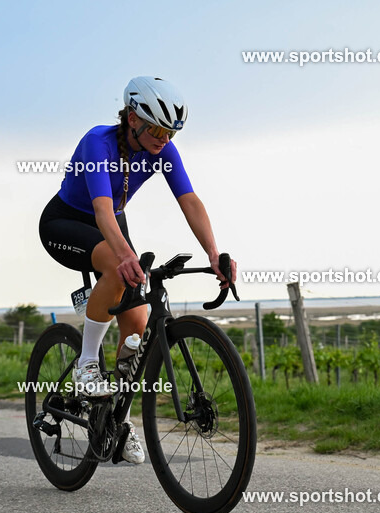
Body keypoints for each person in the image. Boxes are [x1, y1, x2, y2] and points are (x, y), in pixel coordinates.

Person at [38, 76, 237, 464]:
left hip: (111, 221)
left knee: (137, 326)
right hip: (66, 222)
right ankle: (87, 364)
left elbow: (189, 200)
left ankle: (119, 421)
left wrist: (214, 253)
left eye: (172, 132)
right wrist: (125, 255)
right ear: (132, 118)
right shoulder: (99, 142)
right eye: (158, 129)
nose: (165, 139)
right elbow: (100, 209)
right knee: (119, 264)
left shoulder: (164, 150)